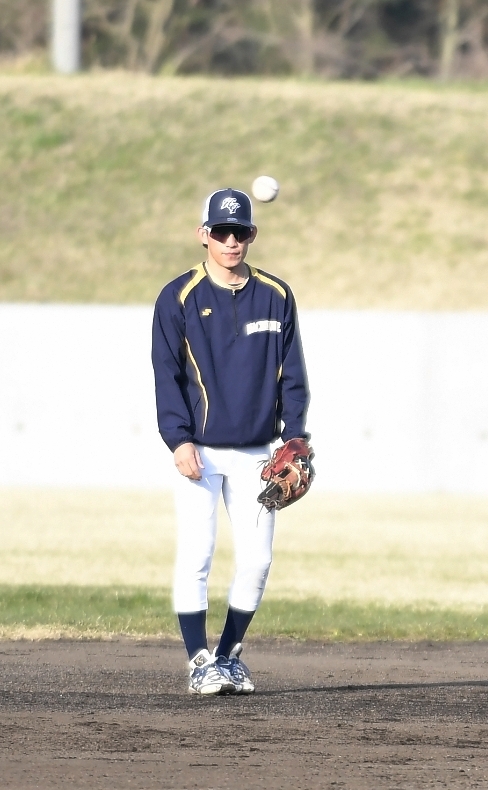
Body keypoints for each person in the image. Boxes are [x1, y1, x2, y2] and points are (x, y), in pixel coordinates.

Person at [151, 188, 311, 696]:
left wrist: (295, 439)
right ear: (203, 235)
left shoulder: (276, 295)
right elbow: (166, 374)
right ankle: (198, 661)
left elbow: (293, 374)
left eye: (239, 232)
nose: (230, 241)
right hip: (199, 450)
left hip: (259, 455)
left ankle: (227, 654)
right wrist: (177, 440)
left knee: (258, 560)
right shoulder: (179, 296)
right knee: (197, 554)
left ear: (252, 235)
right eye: (220, 231)